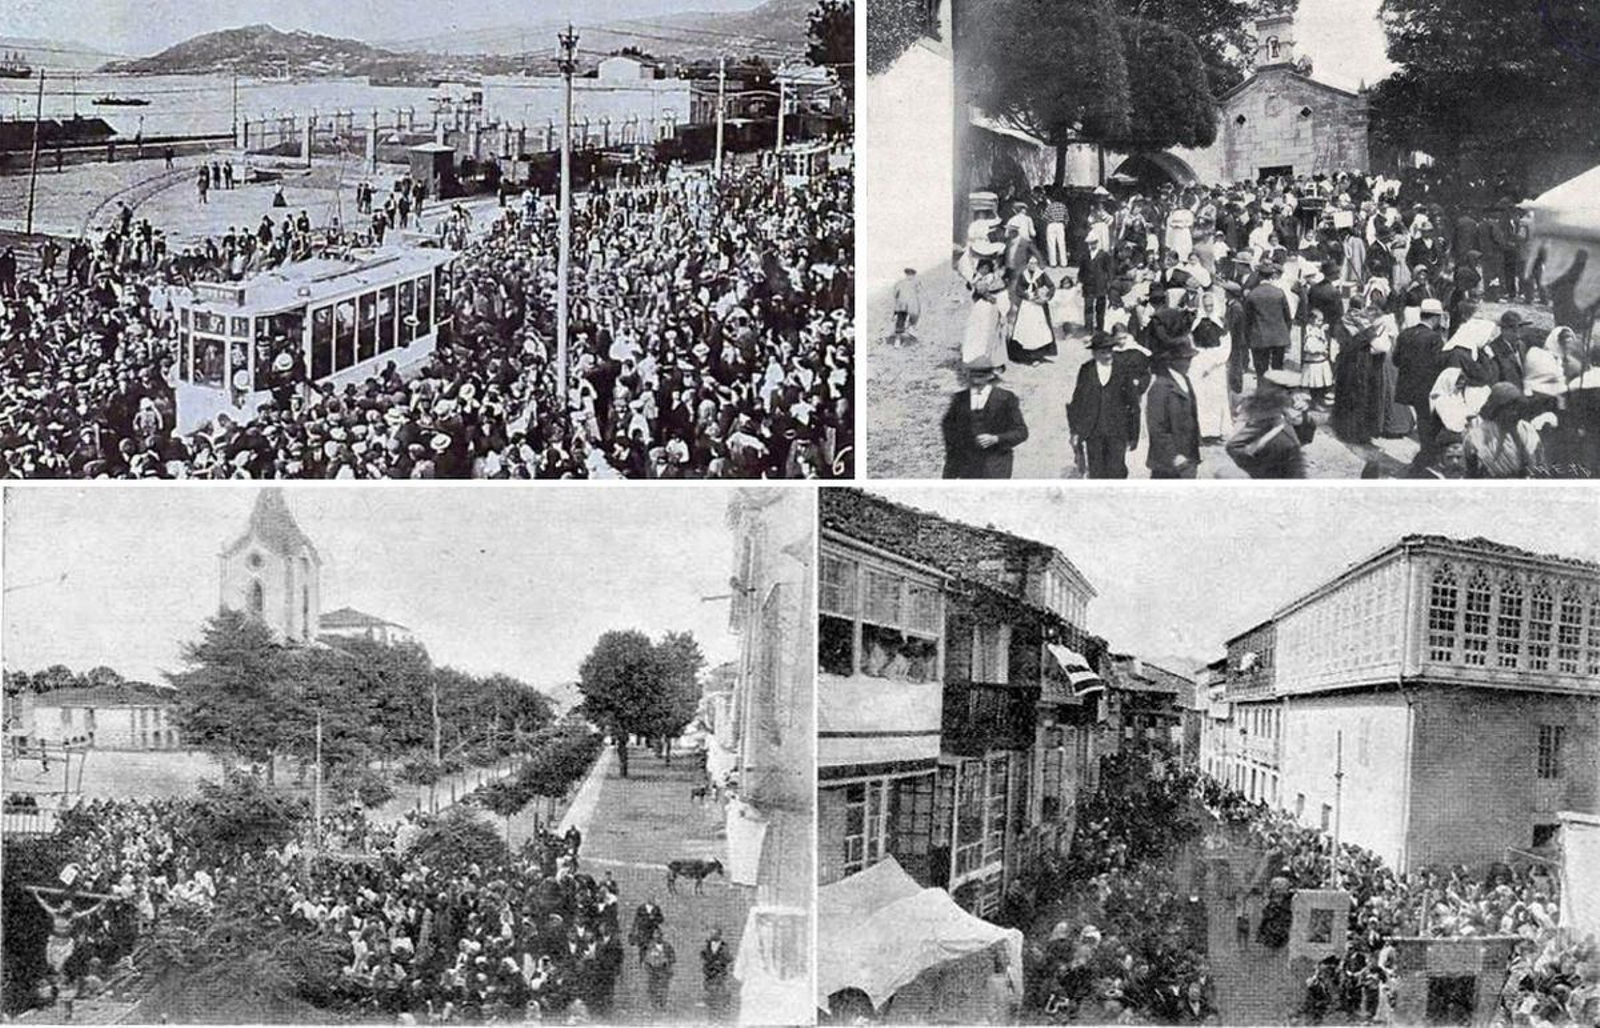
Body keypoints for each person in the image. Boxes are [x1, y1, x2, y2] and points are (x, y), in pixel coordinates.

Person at [1068, 332, 1142, 479]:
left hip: (1117, 431)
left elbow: (1133, 404)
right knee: (1096, 472)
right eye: (1103, 352)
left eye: (1110, 351)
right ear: (1094, 353)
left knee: (1117, 471)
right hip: (1093, 431)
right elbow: (1078, 402)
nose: (1108, 355)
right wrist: (1075, 431)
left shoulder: (1122, 369)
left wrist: (1133, 436)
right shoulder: (1086, 370)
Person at [941, 356, 1028, 479]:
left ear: (990, 376)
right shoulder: (959, 399)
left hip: (996, 464)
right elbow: (949, 432)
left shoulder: (1005, 398)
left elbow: (1021, 432)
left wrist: (996, 439)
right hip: (968, 465)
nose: (976, 381)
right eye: (972, 376)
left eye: (980, 377)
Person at [1226, 369, 1311, 479]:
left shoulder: (1287, 413)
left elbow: (1305, 436)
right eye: (1294, 392)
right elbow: (1234, 447)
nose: (1299, 396)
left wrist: (1303, 418)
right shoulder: (1265, 418)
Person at [1393, 298, 1449, 446]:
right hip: (1427, 387)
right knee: (1429, 423)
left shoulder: (1405, 333)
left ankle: (1426, 451)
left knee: (1421, 419)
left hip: (1408, 387)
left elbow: (1396, 360)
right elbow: (1439, 365)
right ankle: (1427, 454)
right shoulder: (1434, 338)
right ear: (1436, 317)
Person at [1463, 382, 1546, 478]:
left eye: (1517, 408)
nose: (1515, 413)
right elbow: (1471, 474)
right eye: (1510, 408)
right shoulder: (1476, 437)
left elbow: (1540, 467)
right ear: (1497, 409)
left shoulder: (1528, 431)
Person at [1146, 342, 1201, 479]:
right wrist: (1173, 455)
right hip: (1168, 461)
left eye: (1190, 359)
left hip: (1188, 455)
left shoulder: (1185, 380)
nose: (1189, 363)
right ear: (1172, 361)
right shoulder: (1160, 386)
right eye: (1185, 359)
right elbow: (1156, 427)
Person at [1008, 254, 1058, 364]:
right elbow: (1018, 289)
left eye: (1035, 263)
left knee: (1039, 330)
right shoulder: (1023, 275)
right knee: (1026, 329)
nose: (1033, 265)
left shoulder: (1041, 274)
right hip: (1026, 306)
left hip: (1038, 306)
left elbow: (1051, 286)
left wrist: (1046, 297)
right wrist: (1027, 296)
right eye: (1031, 263)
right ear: (1027, 264)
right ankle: (1026, 355)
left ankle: (1038, 355)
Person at [1243, 264, 1294, 375]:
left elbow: (1247, 320)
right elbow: (1287, 317)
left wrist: (1248, 338)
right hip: (1279, 337)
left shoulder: (1252, 295)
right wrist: (1286, 333)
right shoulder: (1279, 293)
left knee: (1261, 372)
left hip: (1259, 337)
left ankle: (1262, 390)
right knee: (1278, 372)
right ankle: (1277, 392)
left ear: (1259, 277)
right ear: (1271, 277)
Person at [1079, 234, 1115, 334]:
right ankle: (1088, 328)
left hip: (1100, 284)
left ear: (1097, 243)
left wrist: (1109, 283)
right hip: (1088, 284)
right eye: (1090, 243)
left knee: (1100, 307)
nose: (1092, 245)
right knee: (1088, 306)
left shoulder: (1103, 255)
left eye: (1094, 243)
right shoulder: (1085, 255)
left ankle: (1100, 328)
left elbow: (1109, 270)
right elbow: (1082, 270)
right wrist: (1081, 281)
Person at [701, 928, 734, 1021]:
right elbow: (703, 956)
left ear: (719, 935)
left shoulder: (724, 946)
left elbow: (728, 958)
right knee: (710, 993)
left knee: (720, 993)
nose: (712, 935)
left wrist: (720, 963)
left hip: (720, 974)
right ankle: (712, 1014)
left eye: (715, 934)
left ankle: (721, 1014)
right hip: (709, 974)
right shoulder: (706, 946)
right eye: (711, 933)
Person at [642, 929, 676, 1012]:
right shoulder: (650, 946)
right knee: (652, 988)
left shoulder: (667, 946)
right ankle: (653, 1004)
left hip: (664, 971)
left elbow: (673, 957)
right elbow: (646, 958)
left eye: (659, 935)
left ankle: (662, 1004)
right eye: (655, 935)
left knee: (663, 988)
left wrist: (667, 962)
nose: (657, 937)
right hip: (653, 971)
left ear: (662, 936)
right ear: (653, 936)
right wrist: (648, 967)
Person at [890, 268, 922, 345]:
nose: (910, 276)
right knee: (913, 316)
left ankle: (898, 340)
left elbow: (895, 294)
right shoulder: (915, 282)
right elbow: (918, 292)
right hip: (909, 305)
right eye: (910, 274)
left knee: (901, 320)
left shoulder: (900, 282)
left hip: (903, 305)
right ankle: (910, 329)